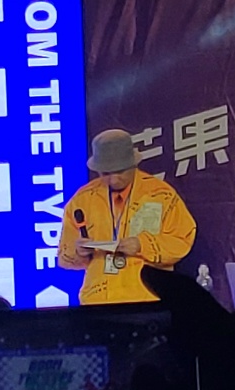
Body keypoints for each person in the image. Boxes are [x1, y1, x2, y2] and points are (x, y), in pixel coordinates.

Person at [57, 128, 196, 305]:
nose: (114, 179)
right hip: (98, 300)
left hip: (149, 296)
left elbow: (182, 240)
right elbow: (63, 256)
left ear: (133, 165)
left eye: (120, 171)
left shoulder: (161, 195)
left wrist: (143, 245)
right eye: (106, 173)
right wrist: (79, 252)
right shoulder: (82, 200)